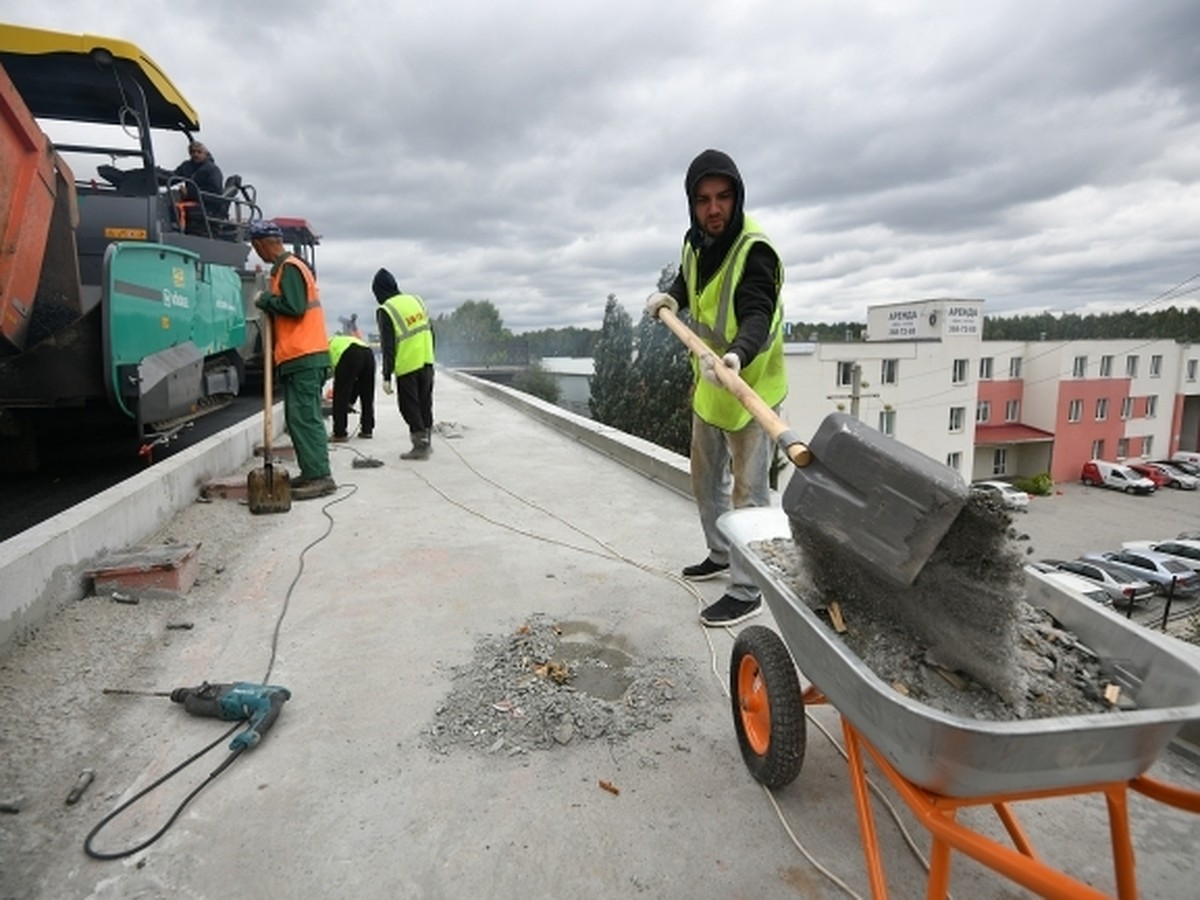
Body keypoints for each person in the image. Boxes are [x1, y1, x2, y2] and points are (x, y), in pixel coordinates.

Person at [645, 149, 786, 627]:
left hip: (751, 389)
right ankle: (720, 554)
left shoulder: (755, 251)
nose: (714, 209)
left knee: (750, 494)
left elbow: (757, 313)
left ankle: (748, 589)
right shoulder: (696, 240)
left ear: (737, 197)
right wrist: (672, 296)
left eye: (723, 197)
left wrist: (738, 356)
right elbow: (691, 278)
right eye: (703, 199)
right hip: (710, 385)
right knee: (706, 482)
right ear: (692, 203)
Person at [249, 219, 337, 499]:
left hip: (304, 355)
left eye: (256, 247)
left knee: (305, 417)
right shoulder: (286, 269)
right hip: (299, 356)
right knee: (297, 417)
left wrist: (265, 301)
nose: (257, 253)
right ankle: (312, 472)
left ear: (261, 244)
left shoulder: (289, 268)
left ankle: (320, 476)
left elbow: (295, 308)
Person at [372, 269, 435, 460]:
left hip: (408, 363)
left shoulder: (386, 309)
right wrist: (432, 355)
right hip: (427, 360)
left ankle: (419, 447)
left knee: (409, 406)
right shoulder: (417, 300)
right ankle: (427, 441)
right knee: (425, 402)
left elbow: (388, 345)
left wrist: (386, 375)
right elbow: (431, 331)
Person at [328, 332, 376, 442]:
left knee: (340, 395)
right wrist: (351, 400)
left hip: (350, 354)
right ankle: (367, 429)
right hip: (368, 352)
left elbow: (328, 374)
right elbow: (356, 381)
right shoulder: (340, 340)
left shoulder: (324, 348)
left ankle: (339, 433)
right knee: (367, 393)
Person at [172, 140, 225, 223]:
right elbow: (172, 177)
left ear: (205, 154)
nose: (195, 154)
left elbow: (215, 192)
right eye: (193, 152)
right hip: (191, 201)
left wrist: (189, 192)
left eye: (199, 152)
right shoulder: (187, 166)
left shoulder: (212, 170)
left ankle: (180, 231)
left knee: (177, 208)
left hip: (207, 205)